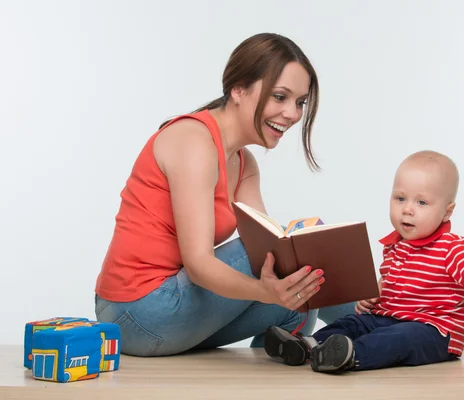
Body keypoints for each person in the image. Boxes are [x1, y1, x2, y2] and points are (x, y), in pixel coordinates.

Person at [94, 32, 355, 357]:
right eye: (280, 96)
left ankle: (373, 317)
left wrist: (279, 289)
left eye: (300, 102)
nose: (292, 113)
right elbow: (201, 263)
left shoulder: (244, 165)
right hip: (134, 313)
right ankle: (382, 314)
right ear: (238, 90)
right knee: (285, 250)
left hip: (169, 320)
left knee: (297, 306)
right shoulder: (194, 141)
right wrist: (265, 290)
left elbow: (277, 253)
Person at [263, 150, 464, 373]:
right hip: (388, 317)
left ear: (447, 211)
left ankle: (350, 355)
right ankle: (308, 347)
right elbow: (387, 281)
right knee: (353, 322)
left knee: (398, 338)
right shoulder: (395, 245)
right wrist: (371, 296)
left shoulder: (451, 247)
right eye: (400, 198)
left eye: (421, 202)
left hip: (434, 330)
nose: (407, 209)